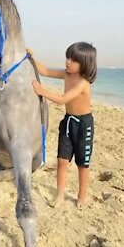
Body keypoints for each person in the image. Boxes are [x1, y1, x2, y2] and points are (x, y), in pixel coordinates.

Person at [27, 42, 97, 208]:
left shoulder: (83, 82)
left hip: (83, 125)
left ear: (85, 63)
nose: (67, 62)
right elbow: (45, 71)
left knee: (82, 164)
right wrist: (31, 58)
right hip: (68, 122)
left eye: (73, 60)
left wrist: (42, 91)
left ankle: (82, 195)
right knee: (62, 161)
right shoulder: (66, 75)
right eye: (67, 58)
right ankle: (59, 196)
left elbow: (63, 99)